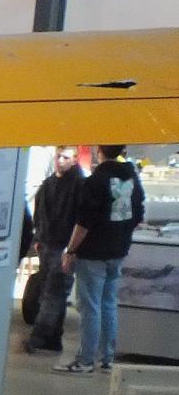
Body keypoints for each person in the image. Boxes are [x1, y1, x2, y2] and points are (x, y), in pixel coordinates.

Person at [56, 145, 145, 374]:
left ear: (99, 150)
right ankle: (107, 359)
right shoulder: (132, 177)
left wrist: (71, 250)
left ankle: (86, 360)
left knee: (90, 307)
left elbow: (84, 222)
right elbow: (138, 214)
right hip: (118, 250)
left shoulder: (96, 181)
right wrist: (120, 233)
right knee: (108, 304)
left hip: (93, 253)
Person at [22, 147, 84, 353]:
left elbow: (80, 219)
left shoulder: (78, 185)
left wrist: (71, 248)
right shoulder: (50, 183)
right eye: (58, 156)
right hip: (49, 244)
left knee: (52, 293)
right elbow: (40, 212)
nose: (60, 160)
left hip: (63, 246)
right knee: (53, 292)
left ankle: (40, 336)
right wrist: (39, 236)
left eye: (65, 157)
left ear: (74, 159)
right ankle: (53, 339)